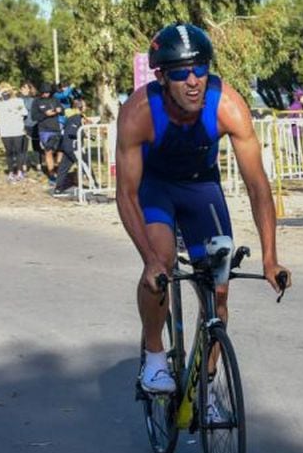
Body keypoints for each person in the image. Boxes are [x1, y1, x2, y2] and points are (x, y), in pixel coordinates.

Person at [115, 23, 290, 394]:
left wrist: (270, 258)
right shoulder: (138, 112)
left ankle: (204, 389)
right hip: (155, 188)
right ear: (162, 77)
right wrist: (147, 259)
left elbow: (258, 186)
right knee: (161, 261)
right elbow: (127, 194)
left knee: (219, 291)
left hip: (201, 188)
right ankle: (155, 357)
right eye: (180, 72)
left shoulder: (228, 105)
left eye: (200, 68)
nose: (193, 80)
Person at [0, 81, 28, 182]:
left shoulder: (18, 101)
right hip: (5, 131)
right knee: (9, 152)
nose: (5, 93)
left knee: (18, 151)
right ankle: (11, 172)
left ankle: (20, 171)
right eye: (3, 90)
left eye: (7, 90)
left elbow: (24, 112)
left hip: (17, 130)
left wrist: (17, 113)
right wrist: (0, 92)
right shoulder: (0, 104)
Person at [52, 98, 85, 197]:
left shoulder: (77, 117)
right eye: (85, 106)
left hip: (68, 146)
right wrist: (82, 134)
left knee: (64, 167)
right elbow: (72, 132)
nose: (86, 108)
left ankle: (58, 189)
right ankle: (95, 185)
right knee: (84, 164)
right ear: (80, 107)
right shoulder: (75, 118)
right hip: (71, 146)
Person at [31, 83, 64, 181]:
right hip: (44, 131)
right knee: (48, 151)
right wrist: (45, 114)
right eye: (45, 93)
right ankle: (51, 174)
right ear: (41, 92)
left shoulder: (55, 99)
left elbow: (62, 110)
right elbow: (34, 117)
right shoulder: (36, 102)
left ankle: (58, 169)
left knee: (60, 151)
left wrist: (60, 110)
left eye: (49, 92)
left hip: (56, 129)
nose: (47, 94)